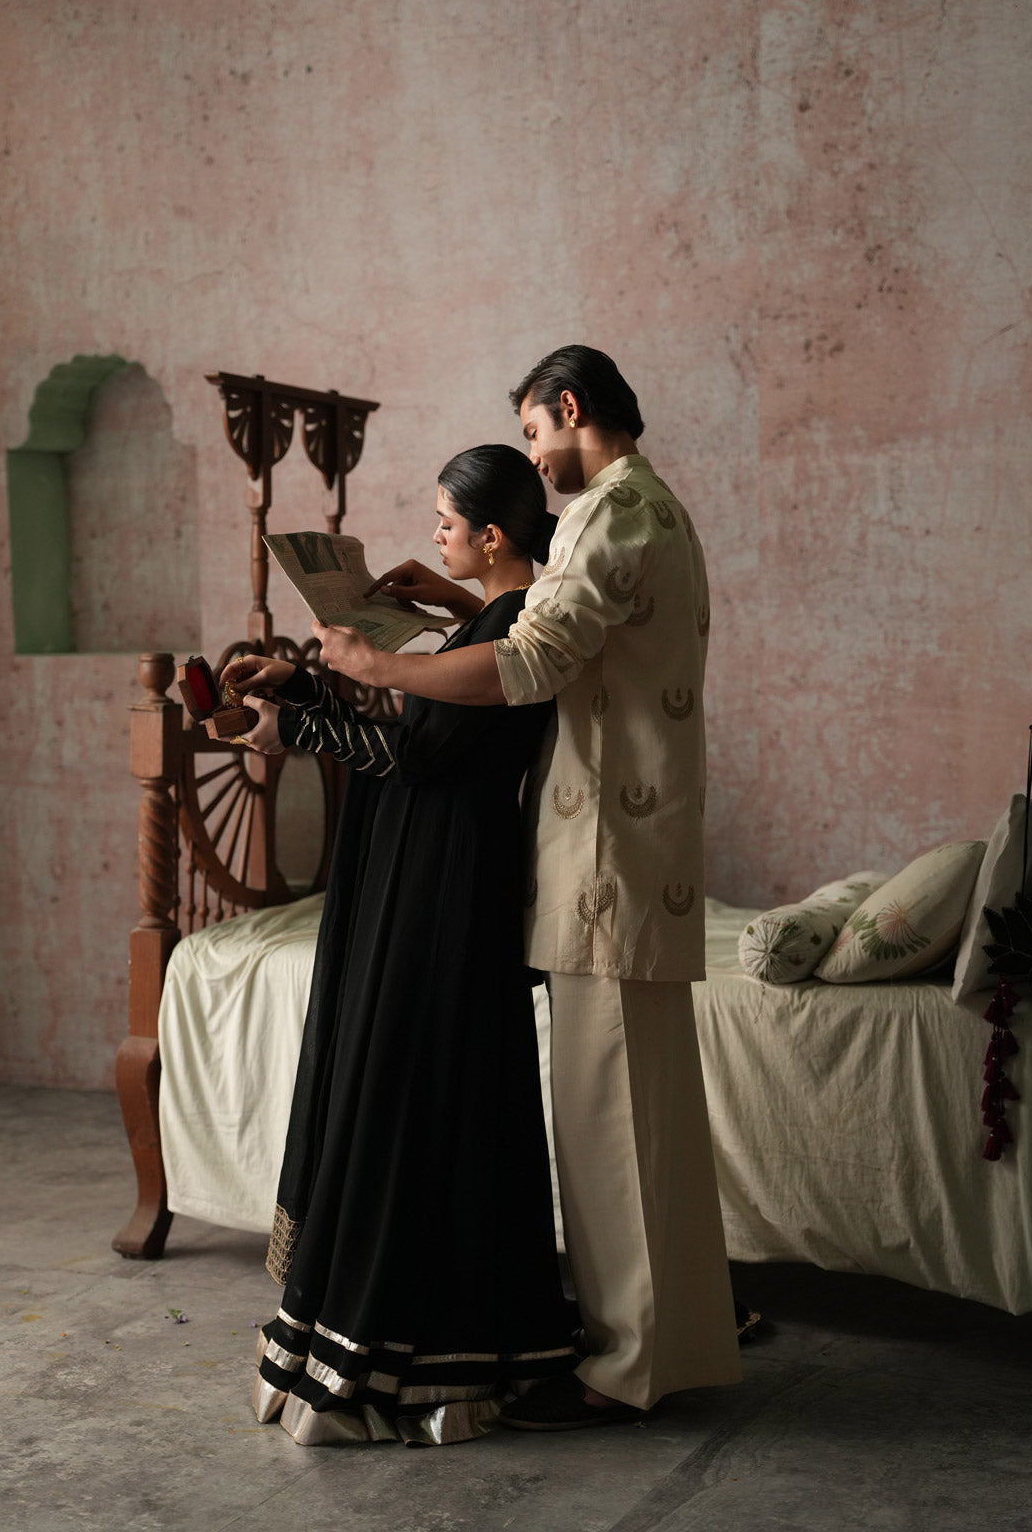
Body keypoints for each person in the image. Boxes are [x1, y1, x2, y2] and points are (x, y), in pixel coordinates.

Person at [316, 346, 743, 1430]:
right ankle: (673, 1344)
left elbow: (532, 660)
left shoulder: (610, 511)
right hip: (634, 851)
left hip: (605, 858)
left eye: (534, 431)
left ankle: (628, 1368)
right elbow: (560, 616)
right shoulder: (653, 509)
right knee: (644, 1121)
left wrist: (382, 667)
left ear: (569, 408)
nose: (534, 457)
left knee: (613, 1127)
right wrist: (455, 597)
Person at [225, 445, 577, 1447]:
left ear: (492, 537)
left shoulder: (517, 629)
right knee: (419, 1084)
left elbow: (417, 753)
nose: (433, 537)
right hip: (424, 860)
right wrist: (304, 688)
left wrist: (301, 721)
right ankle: (424, 1341)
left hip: (448, 875)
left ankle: (399, 1355)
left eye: (445, 524)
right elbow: (418, 737)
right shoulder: (493, 619)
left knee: (412, 1087)